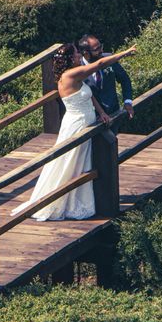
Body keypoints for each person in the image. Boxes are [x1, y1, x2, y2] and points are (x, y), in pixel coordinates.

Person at [10, 42, 137, 221]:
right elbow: (100, 64)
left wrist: (101, 113)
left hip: (86, 121)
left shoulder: (74, 76)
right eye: (77, 54)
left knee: (81, 161)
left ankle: (76, 197)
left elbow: (89, 94)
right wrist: (124, 53)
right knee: (71, 161)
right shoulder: (71, 74)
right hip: (77, 124)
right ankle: (57, 200)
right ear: (70, 58)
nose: (79, 56)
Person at [78, 35, 134, 121]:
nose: (101, 50)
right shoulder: (78, 69)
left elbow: (124, 79)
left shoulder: (109, 58)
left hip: (114, 113)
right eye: (97, 49)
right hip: (92, 119)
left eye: (101, 46)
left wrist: (128, 101)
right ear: (86, 53)